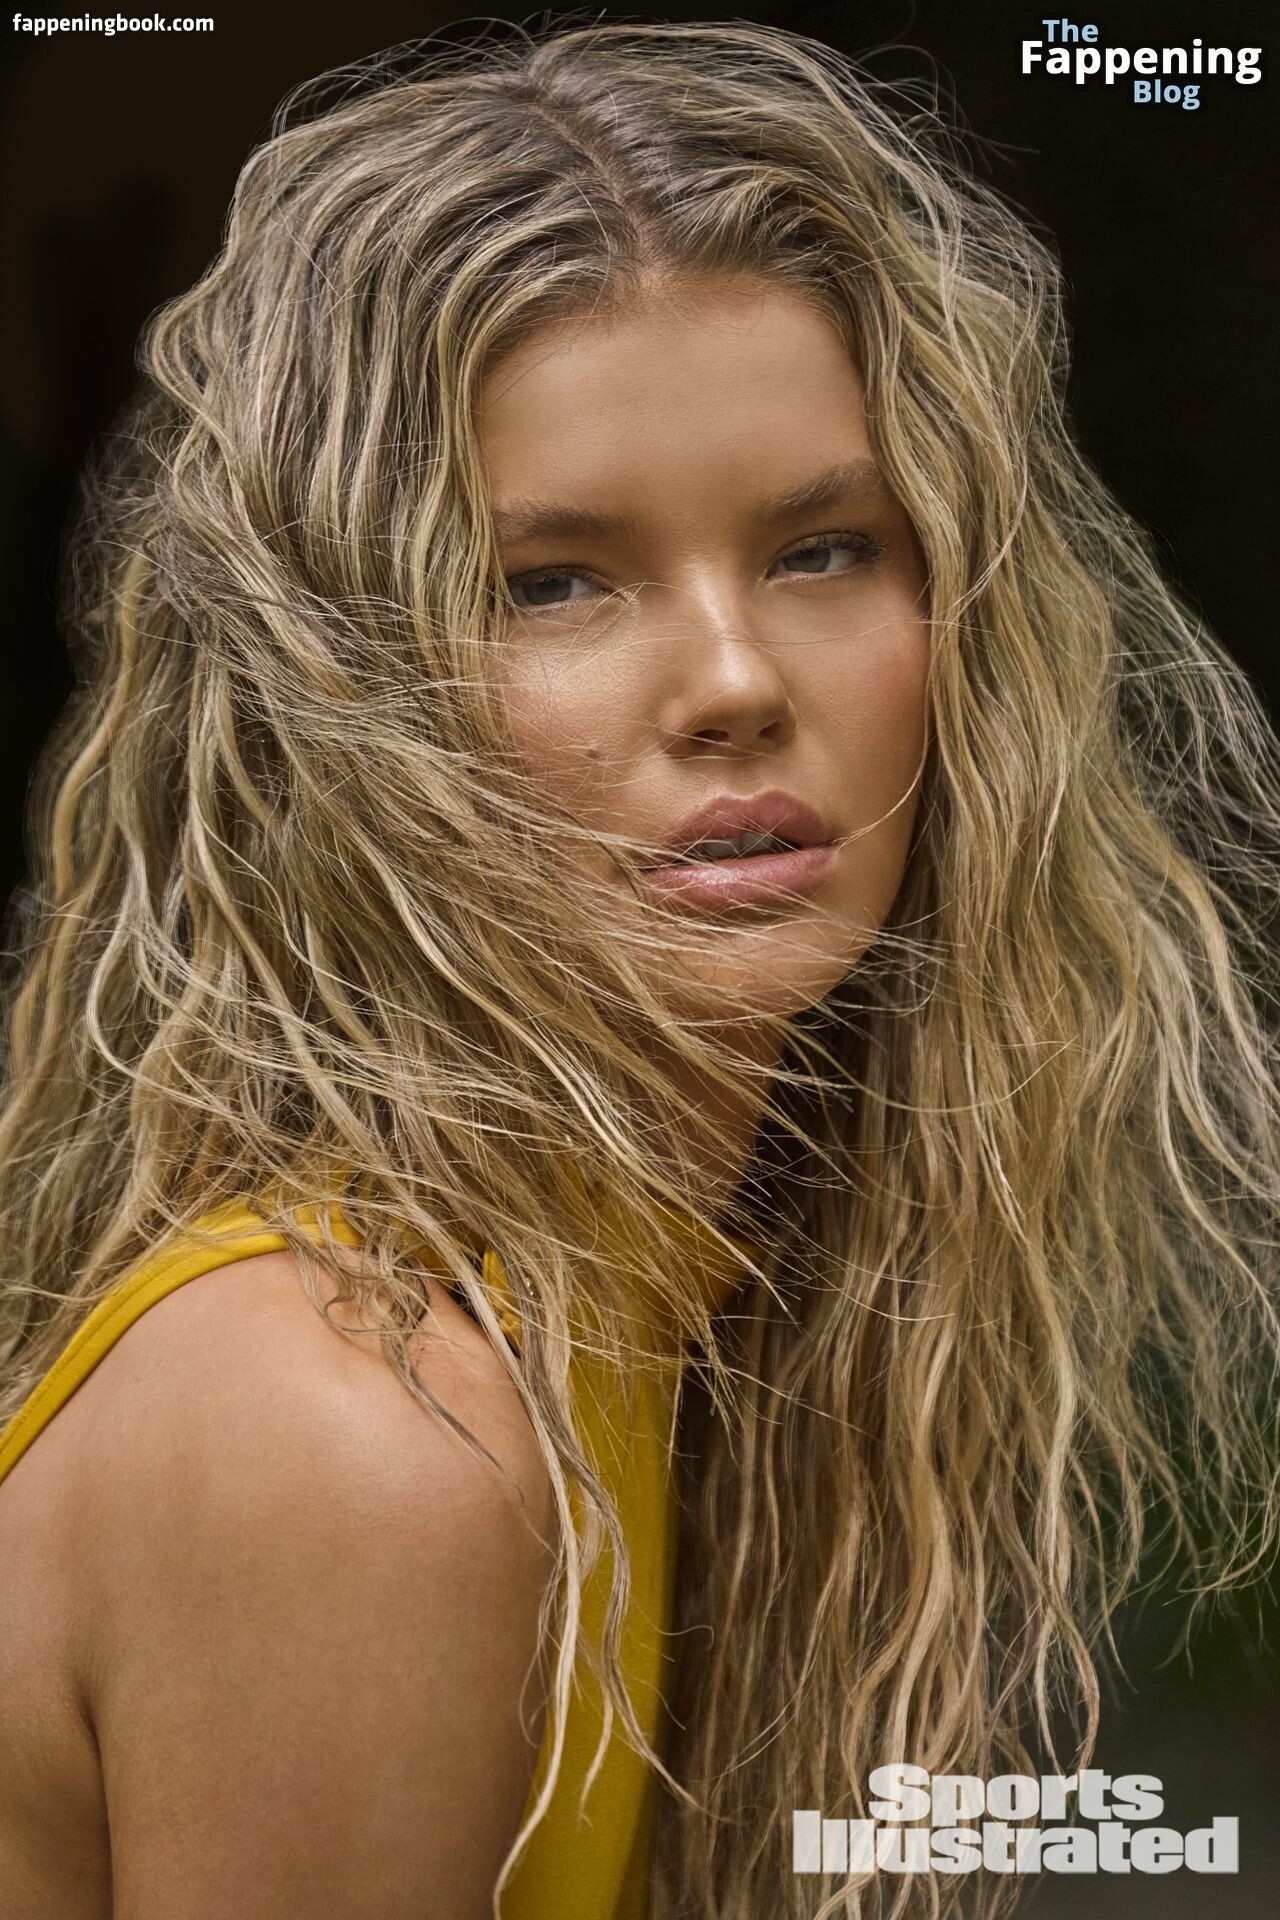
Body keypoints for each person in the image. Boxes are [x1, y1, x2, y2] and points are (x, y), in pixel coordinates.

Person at [0, 19, 1276, 1920]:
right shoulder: (355, 1428)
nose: (737, 682)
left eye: (825, 549)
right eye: (554, 583)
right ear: (335, 695)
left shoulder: (650, 1322)